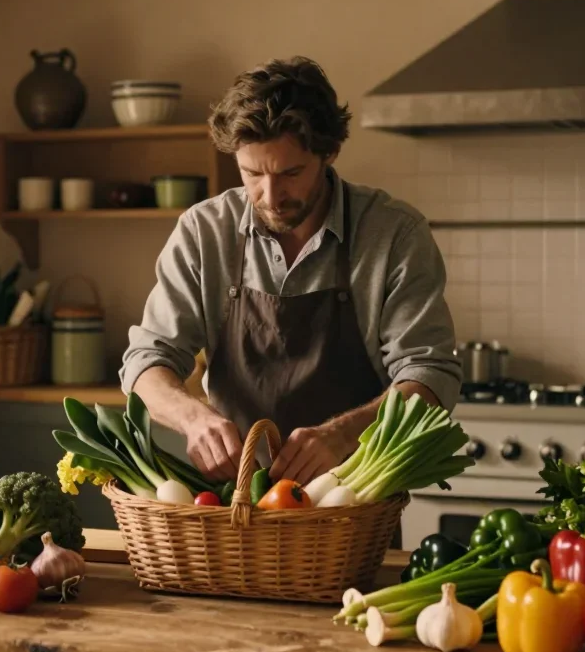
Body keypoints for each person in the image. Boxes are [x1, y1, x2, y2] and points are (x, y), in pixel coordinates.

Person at [119, 56, 460, 487]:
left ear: (330, 152)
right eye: (251, 173)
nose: (270, 195)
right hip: (237, 498)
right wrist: (192, 417)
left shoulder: (394, 234)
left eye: (291, 173)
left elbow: (430, 376)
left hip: (354, 494)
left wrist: (341, 434)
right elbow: (146, 361)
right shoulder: (204, 232)